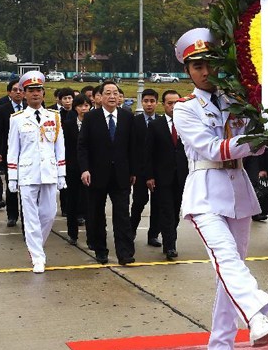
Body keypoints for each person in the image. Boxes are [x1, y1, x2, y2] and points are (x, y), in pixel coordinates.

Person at [173, 28, 268, 350]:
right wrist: (257, 139)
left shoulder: (238, 102)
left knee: (227, 276)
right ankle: (256, 313)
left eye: (210, 64)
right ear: (188, 71)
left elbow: (262, 144)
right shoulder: (185, 109)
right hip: (205, 192)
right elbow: (213, 149)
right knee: (226, 259)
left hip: (238, 191)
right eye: (197, 66)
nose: (205, 72)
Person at [7, 71, 66, 274]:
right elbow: (13, 149)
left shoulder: (54, 117)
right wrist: (12, 176)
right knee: (30, 217)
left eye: (38, 90)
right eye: (30, 91)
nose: (35, 94)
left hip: (49, 170)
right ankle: (38, 257)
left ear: (43, 92)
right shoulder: (17, 119)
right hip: (27, 172)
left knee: (49, 214)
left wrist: (61, 174)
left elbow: (60, 147)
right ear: (24, 94)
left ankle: (36, 248)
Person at [78, 80, 136, 265]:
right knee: (96, 214)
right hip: (96, 174)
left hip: (121, 175)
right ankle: (100, 250)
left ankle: (125, 253)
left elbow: (133, 147)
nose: (112, 96)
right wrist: (85, 169)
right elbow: (83, 146)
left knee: (122, 215)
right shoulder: (91, 118)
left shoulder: (127, 117)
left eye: (115, 93)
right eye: (108, 93)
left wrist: (133, 170)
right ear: (100, 97)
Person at [145, 89, 188, 260]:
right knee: (167, 211)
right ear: (164, 105)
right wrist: (149, 176)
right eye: (170, 103)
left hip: (182, 175)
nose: (173, 106)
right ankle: (170, 245)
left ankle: (169, 236)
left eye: (177, 103)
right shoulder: (156, 125)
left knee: (176, 211)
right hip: (162, 177)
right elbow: (148, 153)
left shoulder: (187, 124)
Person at [130, 88, 161, 246]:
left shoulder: (161, 122)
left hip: (158, 170)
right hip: (140, 171)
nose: (149, 104)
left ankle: (153, 235)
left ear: (157, 103)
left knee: (158, 204)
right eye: (146, 101)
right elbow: (132, 148)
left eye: (152, 101)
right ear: (141, 102)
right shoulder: (135, 122)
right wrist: (133, 171)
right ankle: (131, 231)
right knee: (139, 202)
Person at [0, 79, 26, 227]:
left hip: (28, 153)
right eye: (15, 90)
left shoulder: (31, 108)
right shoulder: (2, 109)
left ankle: (28, 215)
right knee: (12, 184)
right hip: (10, 154)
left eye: (20, 90)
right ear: (9, 93)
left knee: (28, 186)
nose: (18, 92)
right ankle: (12, 215)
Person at [63, 94, 90, 246]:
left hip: (89, 169)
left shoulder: (94, 123)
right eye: (80, 106)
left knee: (89, 202)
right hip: (72, 168)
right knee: (72, 201)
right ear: (75, 108)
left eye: (86, 105)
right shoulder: (68, 124)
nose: (84, 109)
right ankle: (72, 233)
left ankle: (91, 236)